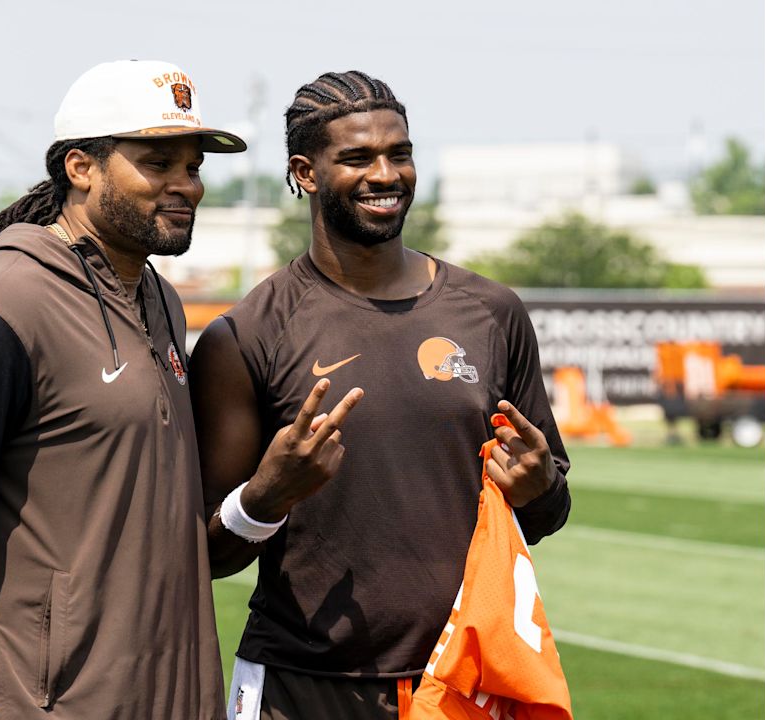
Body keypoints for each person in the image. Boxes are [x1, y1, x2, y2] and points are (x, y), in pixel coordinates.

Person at [0, 59, 250, 720]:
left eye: (193, 167)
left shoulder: (160, 299)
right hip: (49, 703)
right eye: (157, 164)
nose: (185, 186)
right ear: (81, 168)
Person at [189, 70, 572, 720]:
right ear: (305, 173)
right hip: (299, 686)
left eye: (400, 154)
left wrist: (541, 490)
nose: (386, 174)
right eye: (358, 158)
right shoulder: (246, 335)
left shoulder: (491, 312)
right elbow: (202, 553)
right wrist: (267, 497)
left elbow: (546, 510)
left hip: (461, 680)